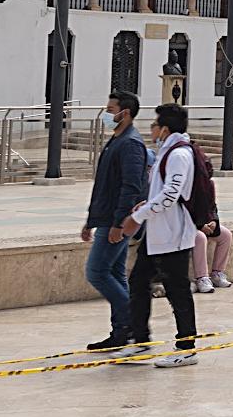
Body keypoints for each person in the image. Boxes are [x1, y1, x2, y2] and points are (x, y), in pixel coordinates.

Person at [120, 104, 200, 367]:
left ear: (164, 129)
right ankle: (141, 341)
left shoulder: (179, 155)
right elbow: (160, 191)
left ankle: (186, 347)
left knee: (177, 291)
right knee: (138, 282)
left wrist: (137, 217)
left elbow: (170, 195)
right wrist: (144, 206)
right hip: (157, 235)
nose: (151, 129)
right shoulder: (166, 151)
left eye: (155, 125)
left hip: (173, 235)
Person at [82, 91, 149, 352]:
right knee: (115, 274)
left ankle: (133, 321)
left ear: (126, 113)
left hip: (116, 221)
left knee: (97, 272)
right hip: (107, 218)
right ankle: (121, 330)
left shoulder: (131, 144)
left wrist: (120, 224)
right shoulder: (117, 141)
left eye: (111, 110)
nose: (107, 115)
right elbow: (103, 186)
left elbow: (131, 187)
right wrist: (90, 220)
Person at [191, 214, 233, 293]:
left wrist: (214, 221)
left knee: (226, 235)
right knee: (200, 238)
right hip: (189, 225)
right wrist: (200, 226)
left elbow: (213, 208)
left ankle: (217, 274)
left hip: (204, 223)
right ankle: (201, 278)